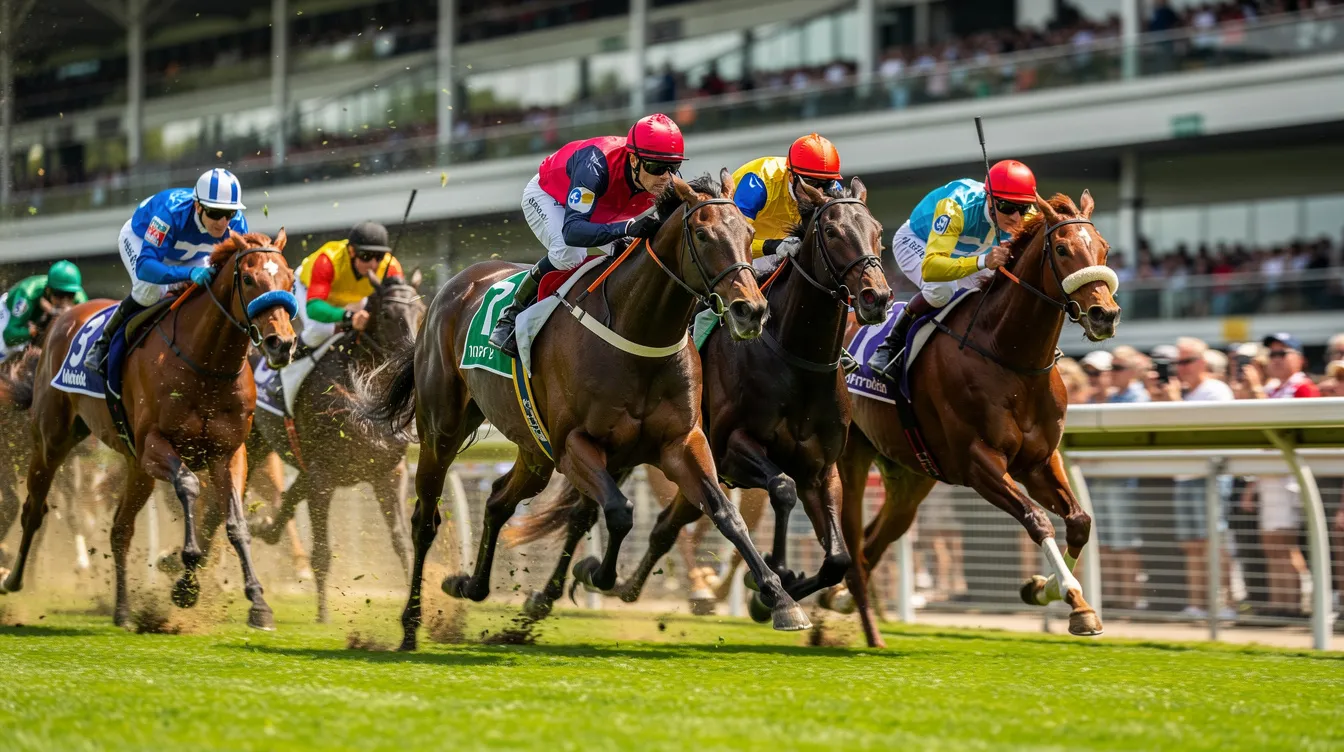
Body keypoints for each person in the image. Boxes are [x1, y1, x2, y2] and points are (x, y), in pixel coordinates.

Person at [489, 113, 685, 358]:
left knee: (638, 252)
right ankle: (512, 314)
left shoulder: (665, 178)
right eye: (657, 168)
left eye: (673, 168)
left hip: (602, 210)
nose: (666, 178)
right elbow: (573, 232)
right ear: (634, 160)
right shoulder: (595, 165)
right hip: (551, 197)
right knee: (569, 252)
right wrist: (626, 228)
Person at [867, 159, 1038, 380]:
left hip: (967, 252)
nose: (1016, 217)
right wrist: (983, 262)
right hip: (920, 242)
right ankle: (890, 346)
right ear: (989, 198)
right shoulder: (956, 207)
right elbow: (932, 268)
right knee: (942, 289)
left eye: (1023, 208)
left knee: (1001, 288)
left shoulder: (1028, 217)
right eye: (1007, 207)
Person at [84, 168, 249, 373]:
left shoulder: (237, 225)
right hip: (142, 242)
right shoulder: (170, 214)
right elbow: (145, 267)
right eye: (215, 213)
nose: (223, 223)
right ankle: (103, 344)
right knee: (150, 290)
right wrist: (187, 274)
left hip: (191, 255)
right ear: (198, 206)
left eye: (229, 214)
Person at [1147, 336, 1236, 619]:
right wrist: (1158, 399)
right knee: (1192, 545)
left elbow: (1205, 435)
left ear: (1202, 362)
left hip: (1210, 475)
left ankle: (1225, 604)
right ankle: (1197, 605)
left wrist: (1174, 402)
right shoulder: (1183, 392)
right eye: (1177, 362)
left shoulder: (1216, 390)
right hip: (1184, 476)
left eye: (1185, 361)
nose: (1180, 368)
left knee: (1214, 542)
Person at [1241, 332, 1319, 616]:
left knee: (1284, 542)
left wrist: (1255, 390)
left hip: (1288, 475)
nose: (1274, 359)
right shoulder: (1274, 387)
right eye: (1271, 354)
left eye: (1281, 353)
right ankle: (1280, 604)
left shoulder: (1304, 387)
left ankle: (1297, 605)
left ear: (1299, 358)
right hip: (1270, 475)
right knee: (1271, 543)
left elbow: (1282, 425)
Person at [730, 133, 843, 278]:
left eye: (826, 184)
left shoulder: (834, 190)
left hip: (786, 246)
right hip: (742, 246)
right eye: (811, 184)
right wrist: (772, 246)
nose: (818, 192)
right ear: (791, 176)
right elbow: (733, 241)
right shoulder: (757, 185)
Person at [1090, 345, 1150, 610]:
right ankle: (1112, 599)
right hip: (1101, 479)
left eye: (1117, 368)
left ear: (1133, 372)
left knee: (1124, 544)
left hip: (1123, 481)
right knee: (1104, 544)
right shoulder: (1112, 398)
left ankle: (1131, 600)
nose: (1111, 373)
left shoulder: (1139, 398)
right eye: (1111, 367)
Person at [295, 221, 404, 351]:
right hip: (307, 289)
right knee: (321, 330)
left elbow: (399, 303)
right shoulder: (327, 260)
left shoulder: (390, 267)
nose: (373, 265)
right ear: (352, 251)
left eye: (379, 257)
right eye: (366, 256)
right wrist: (349, 316)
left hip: (351, 297)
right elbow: (313, 308)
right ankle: (287, 362)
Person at [0, 261, 87, 360]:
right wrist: (33, 332)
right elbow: (9, 336)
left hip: (40, 315)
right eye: (59, 294)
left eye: (70, 295)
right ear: (48, 290)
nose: (64, 301)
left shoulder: (80, 298)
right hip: (11, 318)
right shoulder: (27, 293)